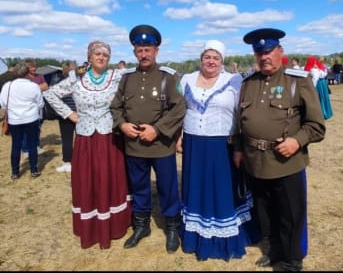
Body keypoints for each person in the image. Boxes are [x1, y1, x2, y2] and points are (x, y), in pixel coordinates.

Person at [232, 28, 326, 271]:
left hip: (287, 162)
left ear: (280, 51)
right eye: (259, 52)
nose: (264, 57)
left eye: (269, 51)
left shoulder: (297, 81)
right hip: (255, 162)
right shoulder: (248, 83)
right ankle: (275, 251)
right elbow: (240, 121)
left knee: (291, 214)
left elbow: (316, 125)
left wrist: (296, 141)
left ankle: (292, 260)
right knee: (266, 213)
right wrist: (239, 149)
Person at [176, 40, 260, 261]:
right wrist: (178, 136)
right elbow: (177, 110)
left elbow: (242, 115)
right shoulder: (186, 79)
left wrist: (239, 146)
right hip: (194, 142)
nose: (211, 61)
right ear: (201, 59)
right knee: (198, 185)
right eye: (207, 57)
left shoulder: (233, 80)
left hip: (223, 143)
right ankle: (196, 235)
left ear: (222, 61)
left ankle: (225, 237)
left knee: (222, 187)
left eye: (216, 58)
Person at [43, 40, 132, 249]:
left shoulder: (115, 76)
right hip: (85, 138)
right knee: (88, 178)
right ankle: (90, 224)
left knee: (110, 176)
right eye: (97, 54)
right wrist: (70, 114)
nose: (101, 57)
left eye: (105, 55)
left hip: (109, 137)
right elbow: (50, 94)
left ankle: (113, 223)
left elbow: (137, 79)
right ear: (90, 56)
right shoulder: (76, 78)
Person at [110, 24, 186, 253]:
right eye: (139, 50)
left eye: (148, 49)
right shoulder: (127, 79)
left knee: (168, 187)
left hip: (161, 146)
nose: (144, 54)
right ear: (134, 52)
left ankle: (172, 227)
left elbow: (179, 107)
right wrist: (122, 125)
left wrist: (158, 129)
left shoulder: (168, 77)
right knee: (139, 186)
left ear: (156, 51)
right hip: (134, 146)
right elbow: (116, 106)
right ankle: (141, 226)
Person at [0, 62, 44, 179]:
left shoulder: (7, 86)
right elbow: (40, 103)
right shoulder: (33, 86)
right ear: (27, 72)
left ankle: (15, 172)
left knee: (16, 145)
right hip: (31, 118)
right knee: (32, 144)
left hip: (15, 120)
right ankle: (34, 169)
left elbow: (3, 103)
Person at [22, 58, 49, 156]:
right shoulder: (24, 78)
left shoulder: (40, 76)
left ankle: (36, 146)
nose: (34, 69)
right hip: (28, 106)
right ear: (27, 68)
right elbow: (26, 91)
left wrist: (33, 87)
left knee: (37, 127)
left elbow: (46, 86)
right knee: (27, 128)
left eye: (35, 66)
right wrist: (39, 87)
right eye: (31, 67)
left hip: (39, 106)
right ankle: (25, 149)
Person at [54, 61, 77, 173]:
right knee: (80, 139)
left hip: (65, 114)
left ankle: (67, 163)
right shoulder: (80, 81)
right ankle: (79, 161)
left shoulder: (60, 82)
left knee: (66, 139)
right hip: (79, 113)